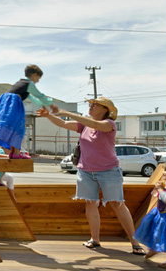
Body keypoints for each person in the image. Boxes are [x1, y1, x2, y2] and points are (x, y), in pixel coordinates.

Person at [37, 97, 145, 255]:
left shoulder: (109, 124)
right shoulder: (84, 126)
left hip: (109, 171)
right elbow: (63, 124)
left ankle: (134, 243)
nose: (91, 107)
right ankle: (95, 239)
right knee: (90, 203)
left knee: (117, 204)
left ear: (105, 110)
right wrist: (48, 116)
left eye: (95, 105)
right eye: (90, 105)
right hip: (85, 171)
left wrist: (67, 112)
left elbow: (95, 125)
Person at [0, 64, 57, 158]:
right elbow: (40, 95)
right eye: (38, 78)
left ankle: (14, 152)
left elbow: (33, 98)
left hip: (5, 103)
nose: (38, 81)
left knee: (13, 126)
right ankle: (15, 153)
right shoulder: (29, 84)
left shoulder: (21, 83)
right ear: (34, 75)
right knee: (16, 127)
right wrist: (52, 105)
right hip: (12, 103)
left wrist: (42, 105)